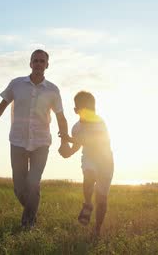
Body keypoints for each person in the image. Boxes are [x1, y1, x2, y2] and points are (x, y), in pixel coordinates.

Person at [0, 49, 69, 229]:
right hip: (18, 142)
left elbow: (61, 117)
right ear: (30, 63)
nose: (38, 64)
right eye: (35, 61)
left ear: (47, 65)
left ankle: (27, 224)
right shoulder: (16, 84)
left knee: (33, 183)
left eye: (41, 61)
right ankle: (32, 212)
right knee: (20, 188)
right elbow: (0, 108)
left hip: (41, 143)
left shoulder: (53, 90)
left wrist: (64, 140)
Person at [60, 91, 114, 236]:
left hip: (106, 162)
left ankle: (97, 229)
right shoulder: (76, 128)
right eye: (85, 109)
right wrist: (68, 152)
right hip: (90, 158)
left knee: (102, 200)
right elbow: (77, 147)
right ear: (76, 110)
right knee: (89, 175)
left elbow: (93, 141)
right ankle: (88, 203)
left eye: (92, 108)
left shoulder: (100, 122)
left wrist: (70, 139)